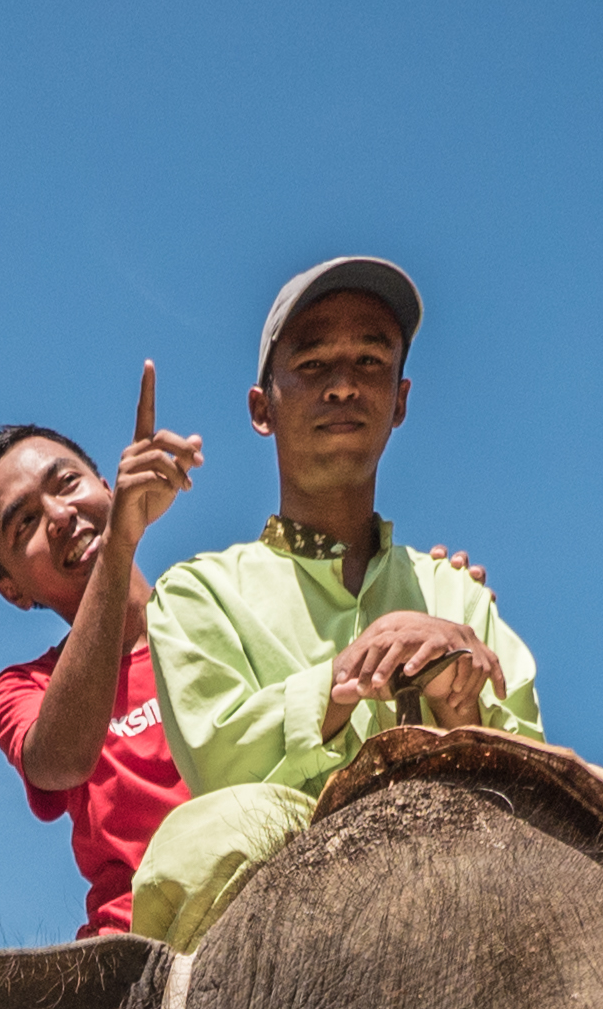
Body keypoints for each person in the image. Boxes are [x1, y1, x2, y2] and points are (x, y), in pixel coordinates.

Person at [133, 256, 540, 951]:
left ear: (401, 401)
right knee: (211, 835)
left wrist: (458, 698)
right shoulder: (197, 593)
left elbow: (532, 777)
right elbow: (221, 760)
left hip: (464, 879)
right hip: (282, 912)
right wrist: (347, 679)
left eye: (370, 361)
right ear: (263, 408)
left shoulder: (454, 593)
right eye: (314, 363)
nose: (344, 386)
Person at [0, 377, 208, 937]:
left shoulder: (218, 607)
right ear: (13, 590)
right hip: (136, 954)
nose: (60, 515)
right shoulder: (22, 689)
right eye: (24, 522)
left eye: (67, 483)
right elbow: (61, 761)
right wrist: (120, 542)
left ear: (104, 482)